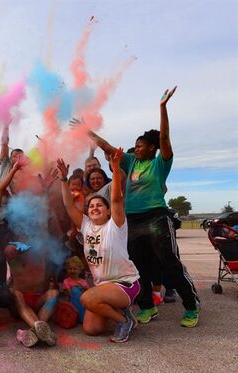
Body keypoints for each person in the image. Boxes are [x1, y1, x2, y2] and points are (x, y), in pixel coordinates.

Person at [89, 86, 200, 328]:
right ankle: (148, 307)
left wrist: (162, 108)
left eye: (140, 145)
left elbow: (164, 138)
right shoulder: (131, 161)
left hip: (157, 218)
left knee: (169, 263)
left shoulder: (161, 163)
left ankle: (191, 306)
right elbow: (107, 148)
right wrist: (88, 133)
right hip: (133, 221)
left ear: (151, 148)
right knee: (136, 267)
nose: (136, 148)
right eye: (135, 145)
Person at [59, 148, 141, 343]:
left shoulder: (116, 224)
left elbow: (116, 198)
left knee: (87, 299)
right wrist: (64, 179)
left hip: (124, 283)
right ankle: (120, 312)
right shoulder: (86, 225)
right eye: (91, 206)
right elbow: (69, 205)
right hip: (103, 286)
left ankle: (124, 320)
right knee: (91, 329)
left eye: (99, 206)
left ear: (107, 211)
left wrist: (114, 168)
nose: (95, 208)